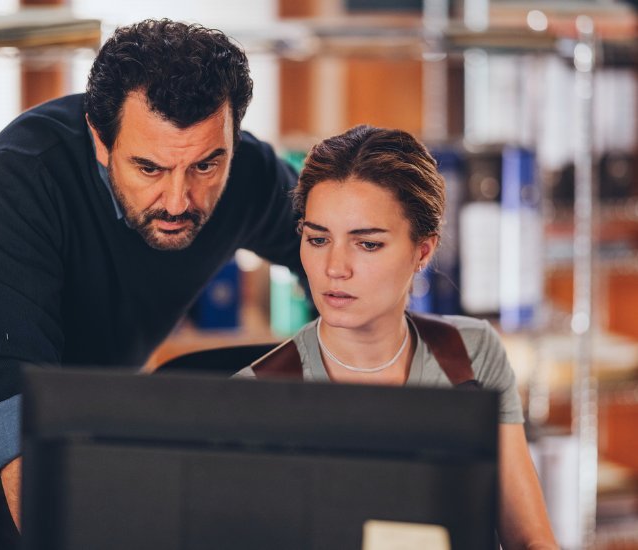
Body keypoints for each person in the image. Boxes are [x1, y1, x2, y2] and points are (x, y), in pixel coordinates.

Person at [0, 19, 302, 548]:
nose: (179, 200)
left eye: (206, 164)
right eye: (149, 168)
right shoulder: (27, 167)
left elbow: (326, 253)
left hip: (67, 424)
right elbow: (11, 378)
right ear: (100, 140)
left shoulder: (252, 175)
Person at [237, 125, 558, 549]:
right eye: (317, 239)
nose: (335, 267)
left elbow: (530, 540)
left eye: (367, 244)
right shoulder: (253, 395)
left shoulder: (470, 353)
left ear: (422, 251)